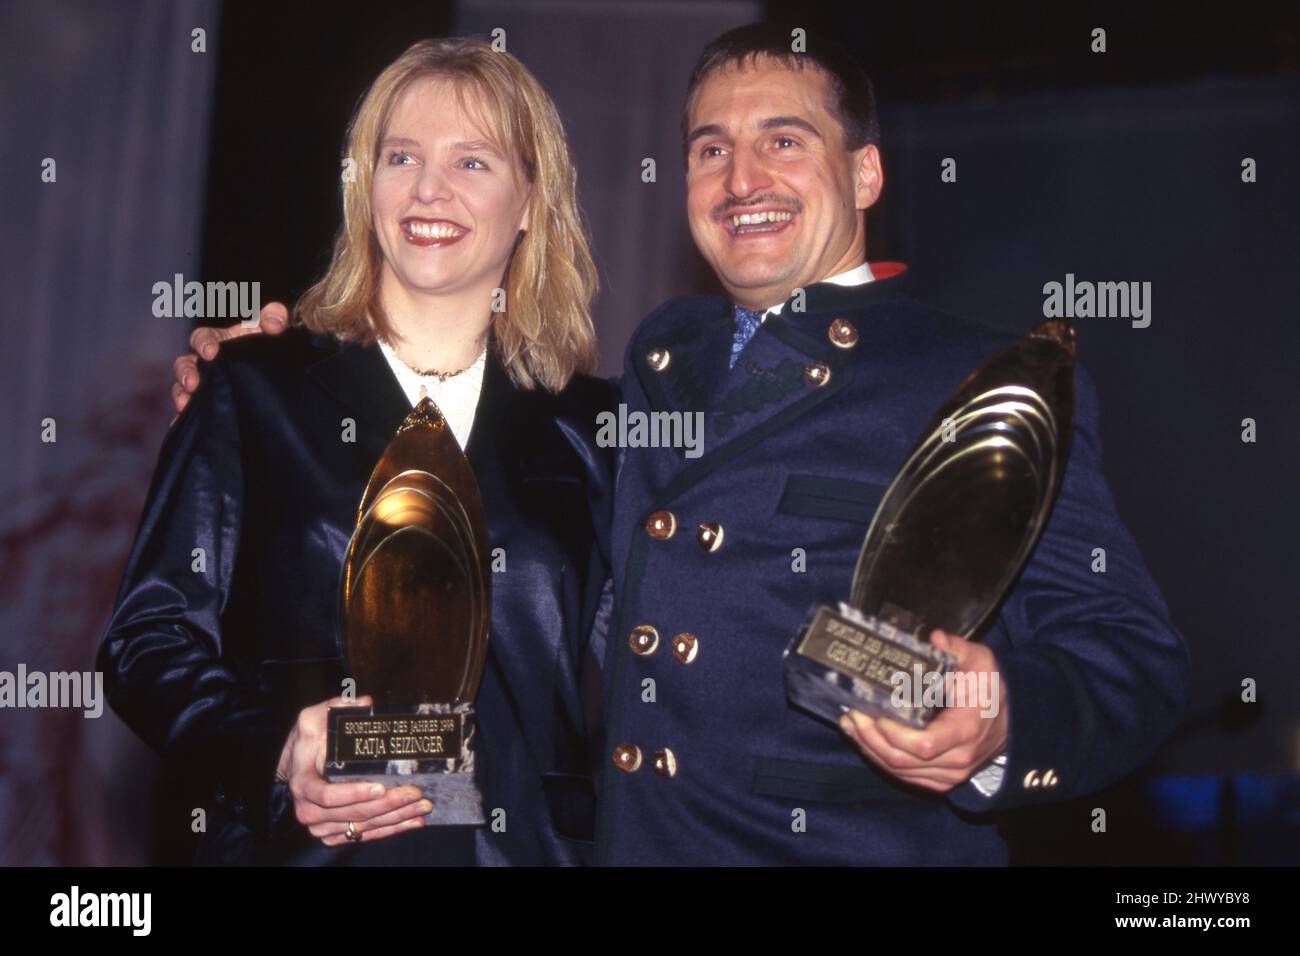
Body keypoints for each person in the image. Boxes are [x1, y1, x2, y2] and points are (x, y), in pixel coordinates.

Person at [176, 24, 1190, 866]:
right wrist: (275, 372)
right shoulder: (661, 358)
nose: (740, 175)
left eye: (783, 140)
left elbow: (1133, 662)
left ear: (866, 170)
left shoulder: (972, 382)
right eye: (710, 147)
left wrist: (1002, 722)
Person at [102, 37, 615, 866]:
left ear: (530, 201)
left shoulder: (597, 429)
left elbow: (668, 672)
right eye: (399, 155)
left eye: (472, 162)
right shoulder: (251, 390)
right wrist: (276, 748)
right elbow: (145, 646)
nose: (427, 189)